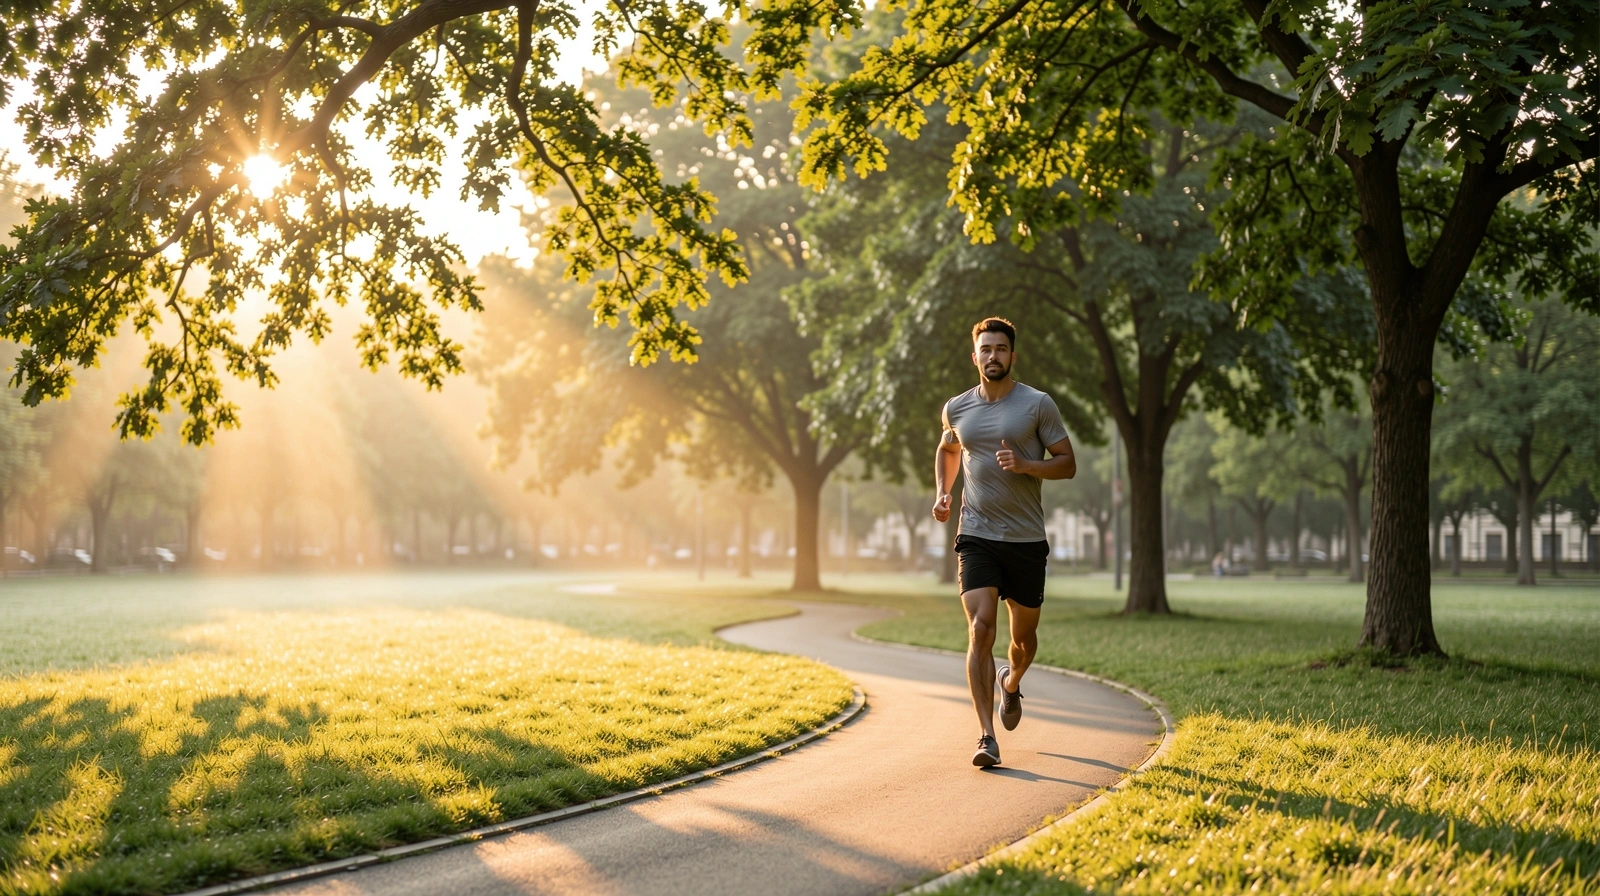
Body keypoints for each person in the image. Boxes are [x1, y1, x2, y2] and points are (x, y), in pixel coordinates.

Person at [932, 317, 1076, 767]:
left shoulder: (1037, 405)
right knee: (980, 629)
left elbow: (1067, 463)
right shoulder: (956, 408)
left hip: (1025, 539)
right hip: (976, 533)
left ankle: (1010, 682)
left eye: (1000, 349)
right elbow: (949, 448)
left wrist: (1027, 465)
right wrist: (943, 491)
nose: (992, 355)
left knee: (1023, 640)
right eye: (985, 349)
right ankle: (986, 737)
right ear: (974, 357)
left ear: (1012, 356)